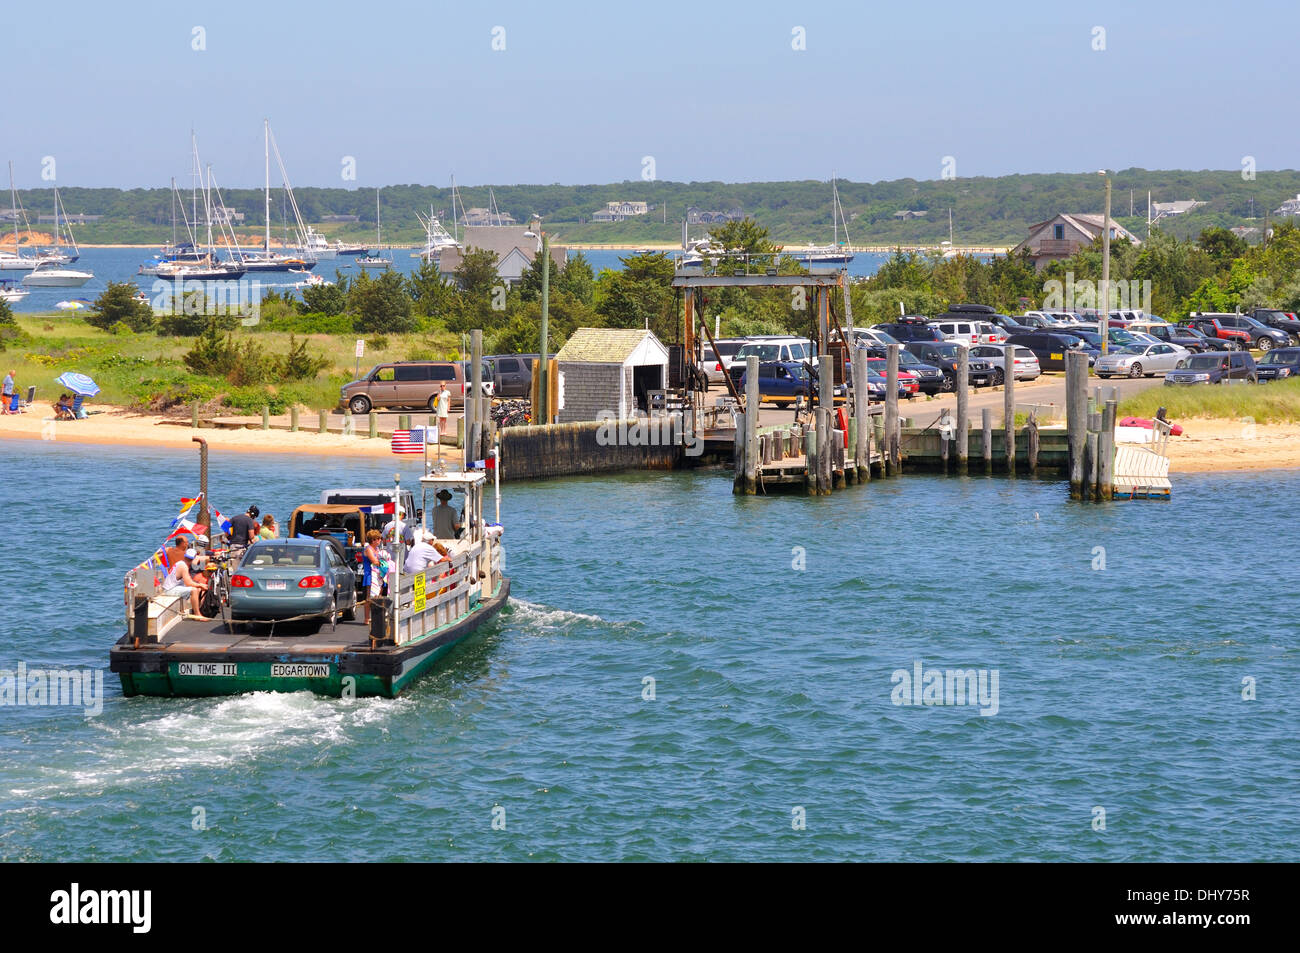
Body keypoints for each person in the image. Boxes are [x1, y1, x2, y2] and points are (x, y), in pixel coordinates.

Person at [162, 545, 209, 619]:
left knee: (198, 589)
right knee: (194, 590)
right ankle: (197, 615)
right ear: (193, 559)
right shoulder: (183, 566)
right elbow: (188, 583)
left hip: (173, 587)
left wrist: (199, 586)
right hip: (169, 590)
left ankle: (198, 610)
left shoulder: (181, 563)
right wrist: (200, 585)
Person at [361, 529, 388, 625]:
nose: (380, 540)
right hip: (370, 574)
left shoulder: (377, 549)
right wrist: (386, 563)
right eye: (378, 539)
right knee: (369, 597)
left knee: (378, 596)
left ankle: (376, 616)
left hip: (378, 574)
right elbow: (374, 561)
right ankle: (366, 618)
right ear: (373, 540)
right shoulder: (368, 549)